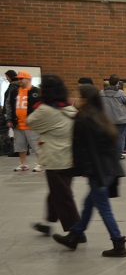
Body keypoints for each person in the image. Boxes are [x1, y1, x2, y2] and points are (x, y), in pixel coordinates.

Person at [52, 84, 126, 257]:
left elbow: (86, 150)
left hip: (99, 171)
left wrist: (82, 169)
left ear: (85, 100)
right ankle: (74, 235)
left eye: (78, 96)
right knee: (88, 204)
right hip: (109, 169)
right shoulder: (101, 117)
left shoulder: (85, 119)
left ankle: (118, 243)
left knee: (104, 208)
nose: (74, 99)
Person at [26, 74, 81, 236]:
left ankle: (76, 232)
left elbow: (30, 122)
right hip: (70, 156)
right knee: (57, 191)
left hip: (55, 158)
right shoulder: (69, 107)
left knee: (62, 196)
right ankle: (48, 222)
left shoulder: (45, 110)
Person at [5, 70, 43, 172]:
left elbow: (42, 107)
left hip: (32, 125)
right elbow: (8, 105)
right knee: (20, 146)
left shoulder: (36, 91)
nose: (19, 81)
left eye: (21, 79)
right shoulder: (14, 92)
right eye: (18, 79)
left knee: (36, 145)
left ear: (28, 79)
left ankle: (40, 164)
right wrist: (9, 119)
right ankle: (23, 164)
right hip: (18, 124)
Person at [100, 75, 126, 158]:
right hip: (121, 119)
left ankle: (108, 153)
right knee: (120, 137)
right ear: (118, 83)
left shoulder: (101, 93)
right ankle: (118, 154)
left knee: (108, 136)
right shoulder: (121, 93)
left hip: (107, 119)